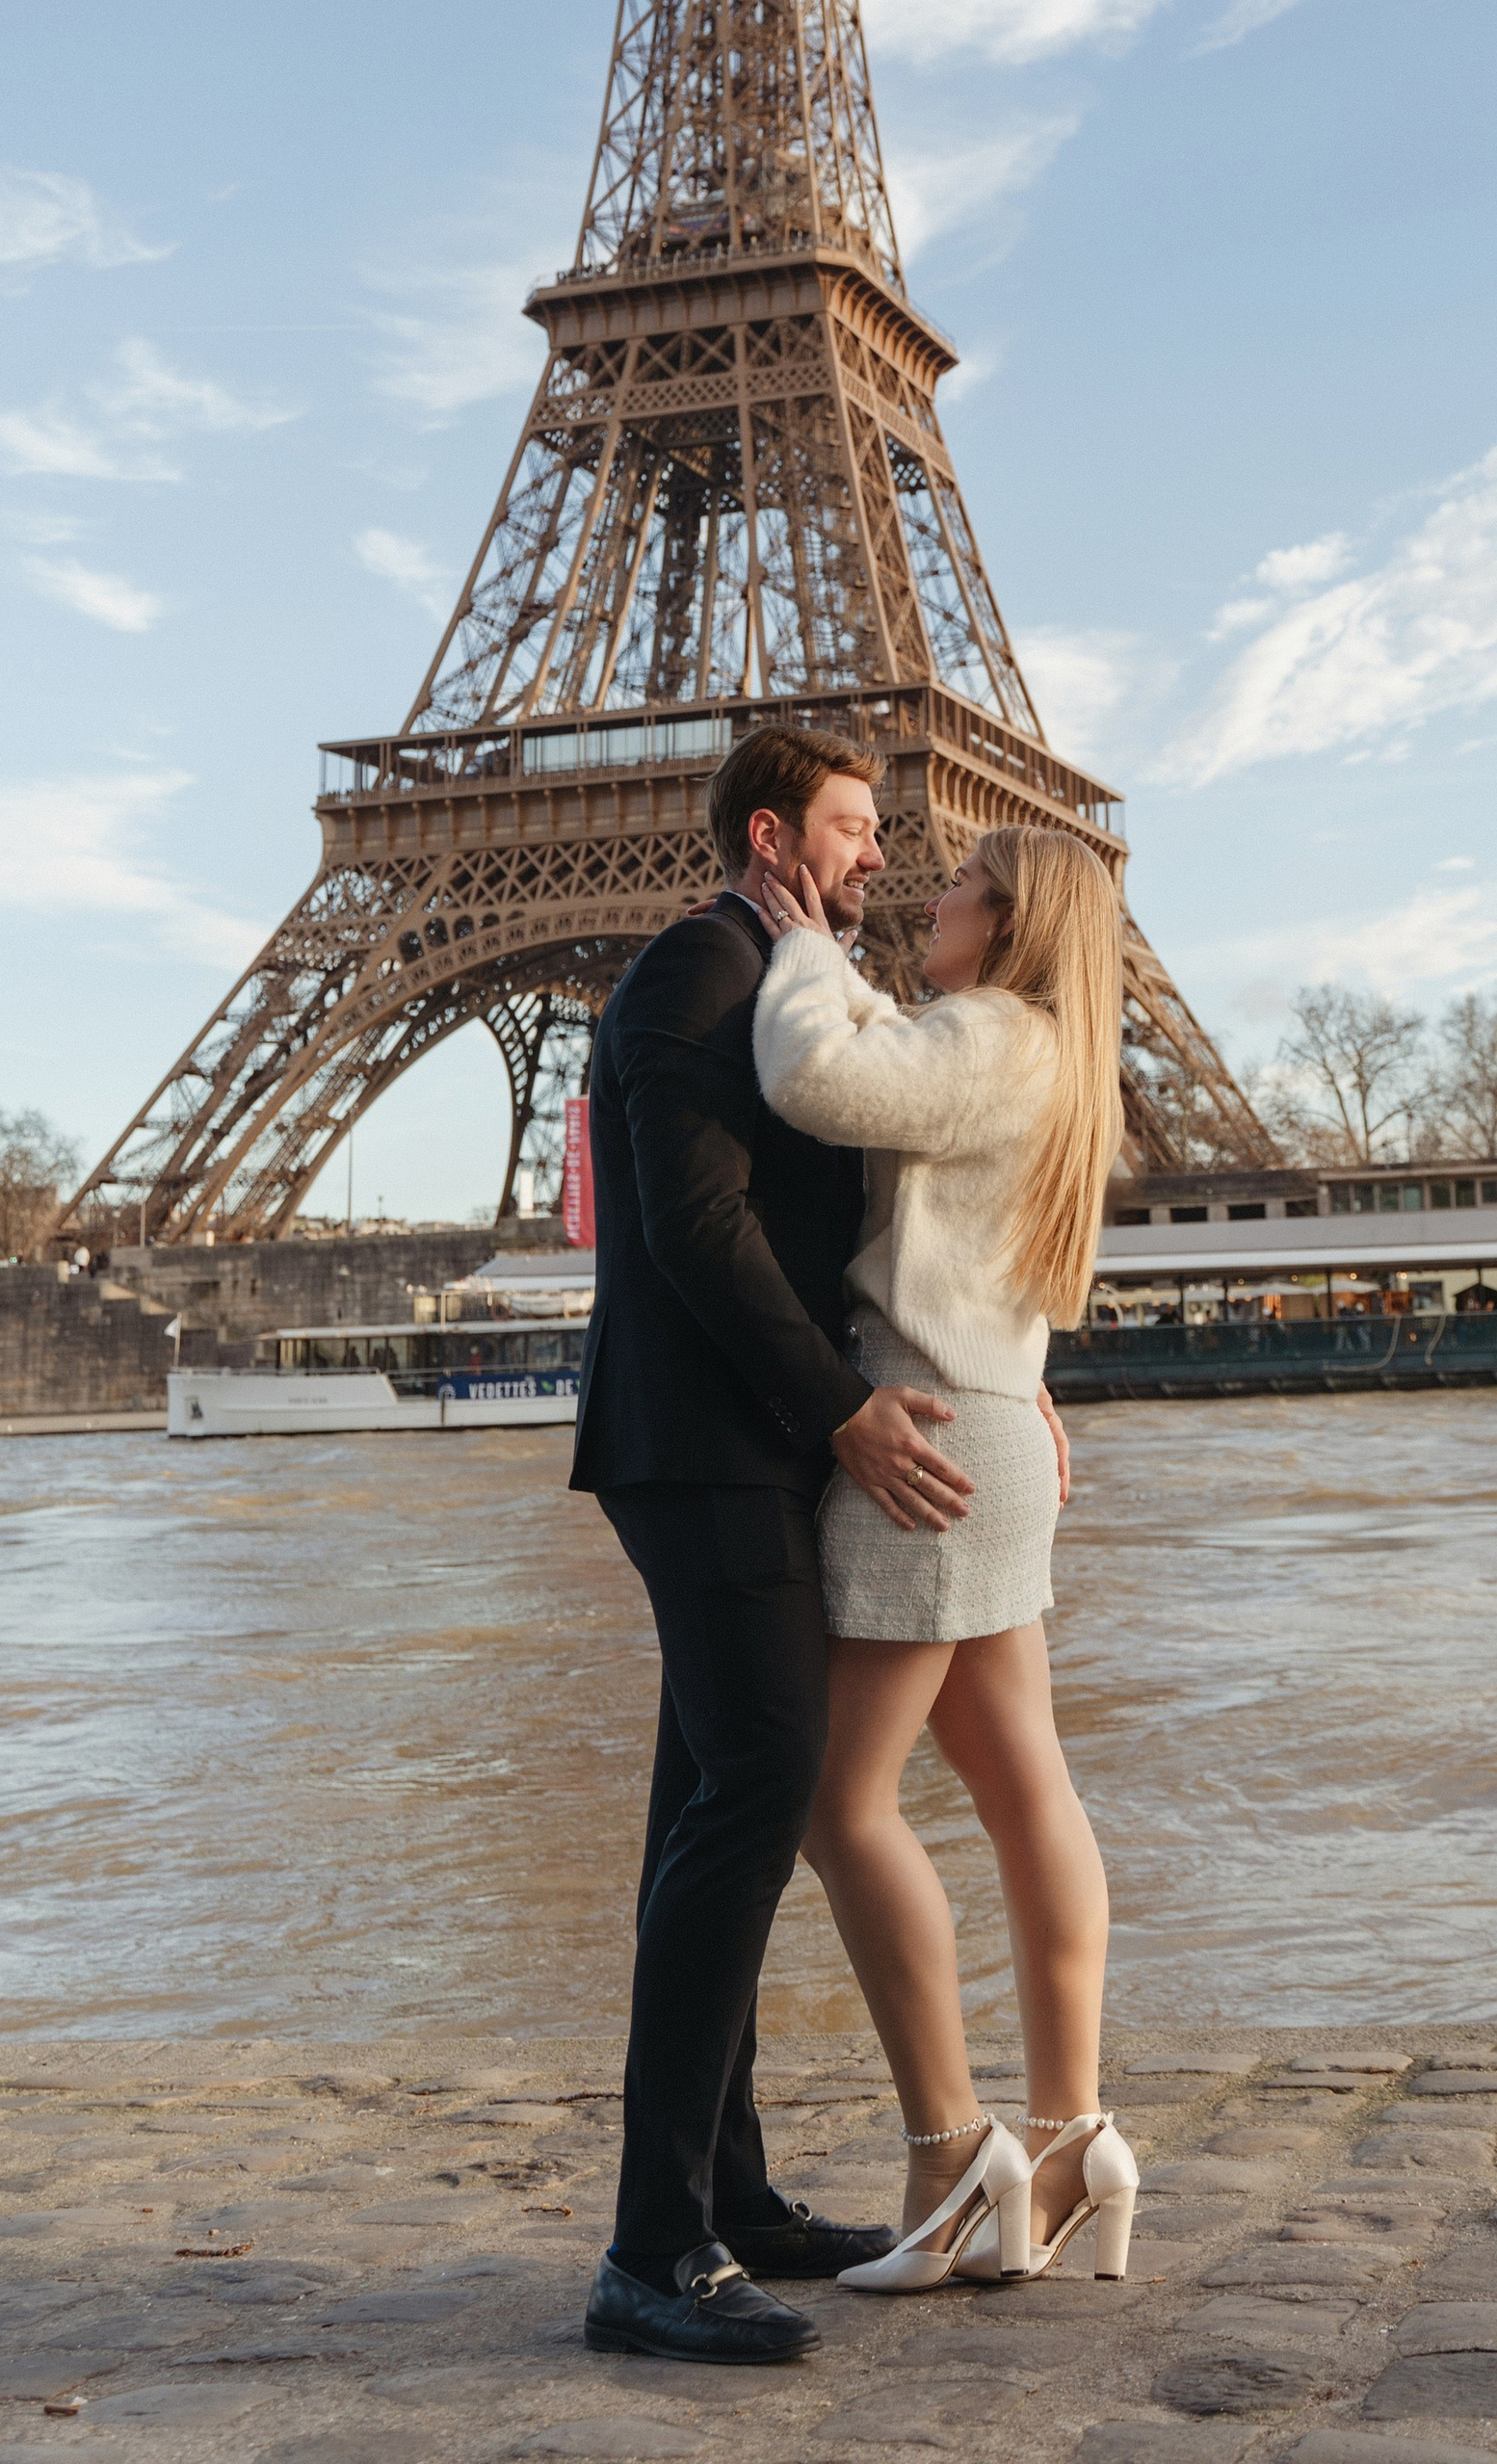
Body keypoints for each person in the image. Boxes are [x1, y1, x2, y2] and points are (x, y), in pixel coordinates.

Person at [571, 724, 979, 2367]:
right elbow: (696, 1224)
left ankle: (724, 2198)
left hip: (745, 1443)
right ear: (772, 831)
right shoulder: (702, 963)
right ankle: (651, 2249)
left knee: (710, 1809)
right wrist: (843, 1412)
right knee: (757, 1793)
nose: (880, 852)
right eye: (855, 825)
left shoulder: (783, 971)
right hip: (707, 1447)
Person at [748, 826, 1143, 2293]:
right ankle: (1070, 2131)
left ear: (1011, 918)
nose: (932, 894)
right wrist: (849, 971)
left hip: (922, 1443)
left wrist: (804, 939)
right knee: (1026, 1785)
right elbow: (891, 1067)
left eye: (961, 883)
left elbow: (816, 1078)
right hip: (996, 1423)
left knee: (838, 1804)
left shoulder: (986, 1034)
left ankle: (950, 2149)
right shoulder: (1055, 1056)